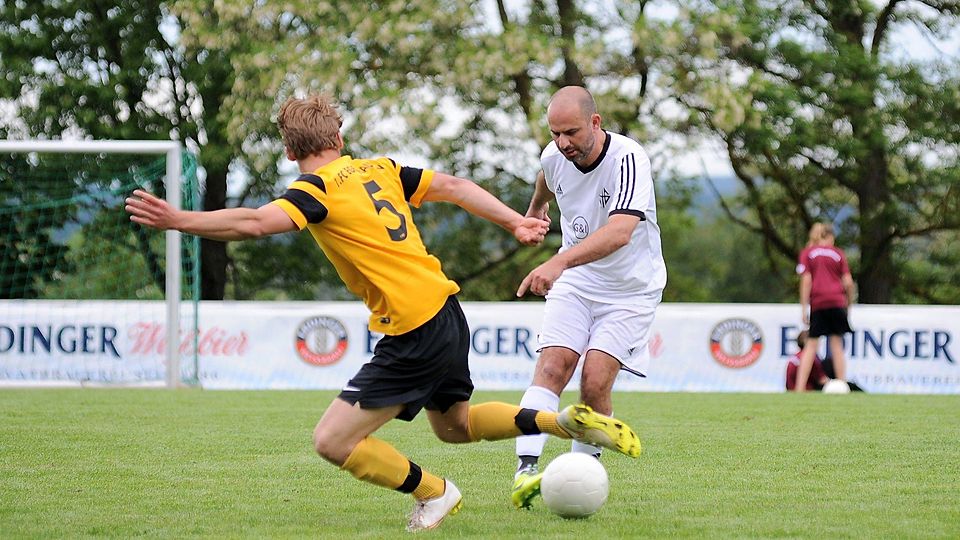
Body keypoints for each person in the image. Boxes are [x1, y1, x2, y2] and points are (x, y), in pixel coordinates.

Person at [125, 94, 641, 532]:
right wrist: (513, 222)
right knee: (454, 427)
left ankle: (435, 492)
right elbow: (457, 189)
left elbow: (254, 223)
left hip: (414, 328)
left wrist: (178, 219)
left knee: (332, 440)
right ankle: (561, 422)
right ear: (340, 140)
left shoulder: (315, 189)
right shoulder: (383, 169)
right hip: (446, 309)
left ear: (289, 150)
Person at [510, 86, 666, 509]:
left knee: (594, 381)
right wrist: (537, 207)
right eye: (555, 133)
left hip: (630, 290)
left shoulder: (628, 158)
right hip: (578, 281)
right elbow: (547, 173)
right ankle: (524, 472)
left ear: (596, 123)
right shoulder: (554, 154)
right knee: (552, 365)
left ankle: (582, 478)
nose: (563, 143)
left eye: (571, 133)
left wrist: (557, 263)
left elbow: (620, 233)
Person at [794, 222, 855, 392]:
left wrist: (804, 307)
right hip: (837, 301)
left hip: (819, 302)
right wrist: (848, 304)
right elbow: (848, 283)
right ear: (830, 237)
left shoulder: (808, 253)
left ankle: (799, 389)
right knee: (836, 344)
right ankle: (843, 385)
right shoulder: (838, 254)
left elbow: (806, 280)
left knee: (812, 344)